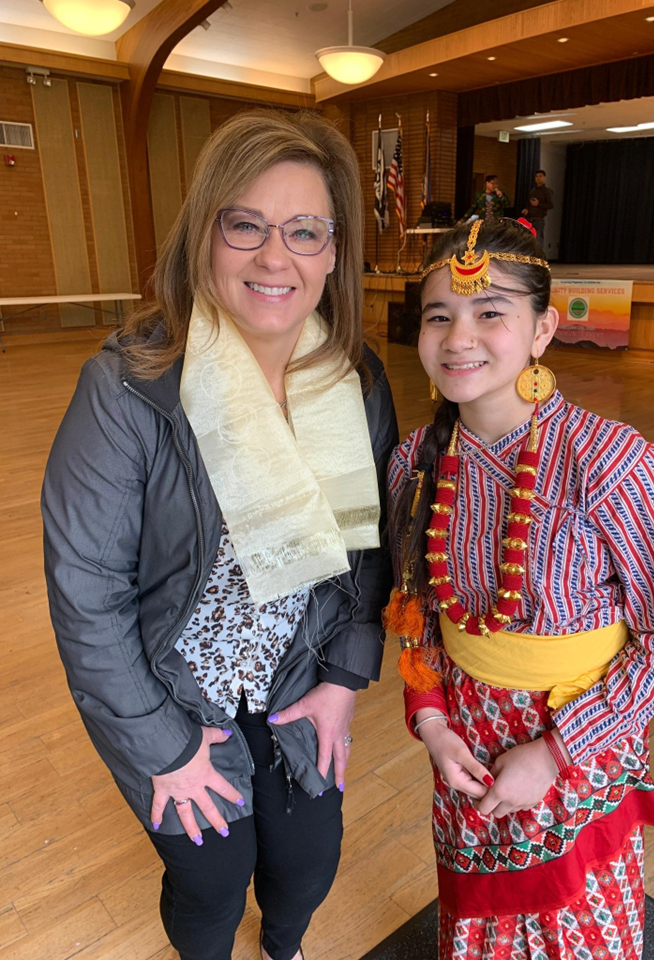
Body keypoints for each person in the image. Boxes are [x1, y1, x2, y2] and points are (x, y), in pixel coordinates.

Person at [42, 110, 398, 960]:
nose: (276, 257)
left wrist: (345, 678)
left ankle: (283, 947)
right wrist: (161, 746)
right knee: (211, 876)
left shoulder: (353, 378)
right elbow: (87, 595)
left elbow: (367, 553)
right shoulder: (128, 387)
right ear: (205, 235)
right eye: (246, 225)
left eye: (304, 231)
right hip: (171, 690)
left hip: (298, 671)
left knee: (308, 865)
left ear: (334, 252)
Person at [386, 218, 654, 960]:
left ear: (542, 330)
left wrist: (557, 752)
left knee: (575, 931)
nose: (459, 337)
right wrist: (431, 723)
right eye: (439, 316)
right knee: (477, 928)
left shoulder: (614, 462)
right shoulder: (415, 463)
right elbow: (418, 616)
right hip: (464, 747)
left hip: (580, 747)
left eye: (489, 312)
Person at [522, 169, 554, 251]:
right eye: (536, 176)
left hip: (539, 220)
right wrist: (526, 209)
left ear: (544, 177)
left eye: (540, 176)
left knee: (538, 241)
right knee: (529, 241)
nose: (538, 178)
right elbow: (528, 203)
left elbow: (550, 205)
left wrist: (538, 204)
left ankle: (539, 257)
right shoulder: (532, 191)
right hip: (530, 219)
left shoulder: (547, 191)